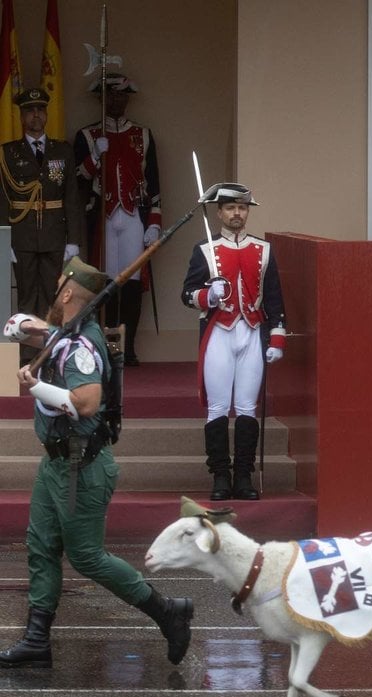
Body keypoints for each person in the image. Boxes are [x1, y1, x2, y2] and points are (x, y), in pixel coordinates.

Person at [1, 257, 193, 668]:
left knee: (87, 557)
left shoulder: (81, 347)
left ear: (67, 292)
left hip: (80, 467)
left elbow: (85, 404)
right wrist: (38, 328)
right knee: (41, 546)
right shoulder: (63, 335)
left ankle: (168, 612)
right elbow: (11, 327)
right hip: (55, 464)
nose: (54, 293)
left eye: (58, 287)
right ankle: (37, 640)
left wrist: (36, 388)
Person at [181, 183, 285, 501]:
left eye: (242, 208)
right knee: (217, 408)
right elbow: (187, 295)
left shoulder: (263, 250)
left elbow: (274, 298)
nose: (237, 213)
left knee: (246, 408)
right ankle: (220, 477)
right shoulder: (205, 250)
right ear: (219, 212)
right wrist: (207, 295)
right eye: (230, 208)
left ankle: (243, 476)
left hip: (252, 331)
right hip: (219, 332)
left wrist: (277, 338)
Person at [72, 72, 163, 367]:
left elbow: (154, 182)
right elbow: (76, 180)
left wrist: (154, 222)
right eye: (110, 95)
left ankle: (130, 347)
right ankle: (110, 347)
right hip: (104, 217)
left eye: (122, 95)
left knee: (133, 282)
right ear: (101, 98)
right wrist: (94, 157)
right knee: (108, 284)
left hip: (134, 216)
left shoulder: (143, 135)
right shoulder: (87, 136)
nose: (117, 100)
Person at [1, 87, 85, 363]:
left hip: (54, 234)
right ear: (22, 116)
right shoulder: (8, 154)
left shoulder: (62, 150)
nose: (36, 115)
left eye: (40, 110)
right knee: (26, 297)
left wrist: (74, 239)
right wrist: (5, 239)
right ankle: (27, 355)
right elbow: (3, 200)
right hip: (22, 235)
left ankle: (51, 353)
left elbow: (71, 196)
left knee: (54, 296)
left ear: (46, 114)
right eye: (30, 111)